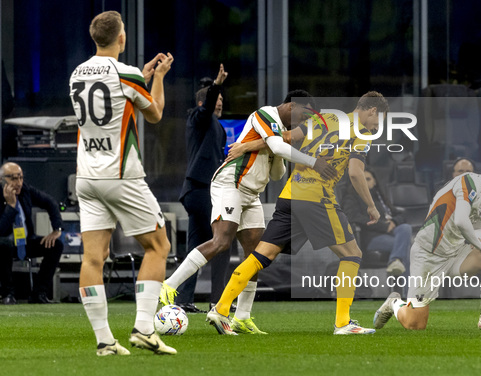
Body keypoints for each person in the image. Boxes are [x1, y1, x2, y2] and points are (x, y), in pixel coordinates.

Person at [205, 91, 389, 335]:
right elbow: (355, 172)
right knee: (352, 254)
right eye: (380, 119)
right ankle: (343, 323)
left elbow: (283, 138)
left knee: (261, 254)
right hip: (317, 198)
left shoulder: (324, 120)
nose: (378, 125)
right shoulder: (363, 133)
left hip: (290, 195)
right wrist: (371, 205)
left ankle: (220, 308)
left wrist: (247, 145)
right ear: (373, 110)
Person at [160, 90, 336, 334]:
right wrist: (312, 161)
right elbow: (277, 145)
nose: (303, 121)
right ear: (292, 105)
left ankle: (241, 317)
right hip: (231, 183)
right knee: (221, 241)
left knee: (255, 255)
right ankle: (169, 285)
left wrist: (274, 152)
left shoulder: (278, 133)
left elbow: (277, 174)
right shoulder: (266, 113)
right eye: (304, 114)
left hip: (251, 194)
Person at [69, 11, 175, 356]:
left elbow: (111, 99)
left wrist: (140, 80)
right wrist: (157, 77)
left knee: (93, 257)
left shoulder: (76, 73)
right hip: (120, 175)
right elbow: (155, 112)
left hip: (86, 176)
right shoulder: (126, 73)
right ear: (121, 38)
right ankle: (144, 329)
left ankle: (104, 341)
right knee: (158, 246)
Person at [374, 168, 481, 331]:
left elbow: (479, 227)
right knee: (415, 324)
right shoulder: (469, 182)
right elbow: (460, 220)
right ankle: (395, 303)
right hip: (429, 255)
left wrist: (479, 242)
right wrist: (480, 245)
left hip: (457, 253)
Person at [175, 64, 233, 314]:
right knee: (223, 242)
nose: (219, 103)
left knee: (195, 247)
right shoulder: (198, 117)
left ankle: (182, 300)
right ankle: (218, 301)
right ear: (204, 102)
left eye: (221, 98)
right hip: (201, 191)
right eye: (216, 98)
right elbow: (207, 108)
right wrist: (216, 86)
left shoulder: (215, 126)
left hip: (197, 191)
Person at [0, 162, 63, 305]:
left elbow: (50, 202)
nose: (18, 183)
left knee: (55, 245)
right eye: (13, 178)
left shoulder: (25, 190)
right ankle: (7, 294)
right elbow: (1, 230)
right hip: (4, 245)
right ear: (1, 180)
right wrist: (10, 206)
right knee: (4, 245)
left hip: (25, 242)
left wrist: (57, 229)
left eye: (21, 178)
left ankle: (39, 293)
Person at [342, 168, 412, 277]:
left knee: (405, 228)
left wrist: (393, 222)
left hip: (391, 233)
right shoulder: (351, 197)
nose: (365, 182)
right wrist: (383, 226)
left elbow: (402, 215)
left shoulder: (379, 197)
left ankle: (395, 261)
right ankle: (407, 291)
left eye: (368, 179)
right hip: (372, 237)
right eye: (362, 179)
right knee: (407, 247)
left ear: (374, 181)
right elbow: (352, 217)